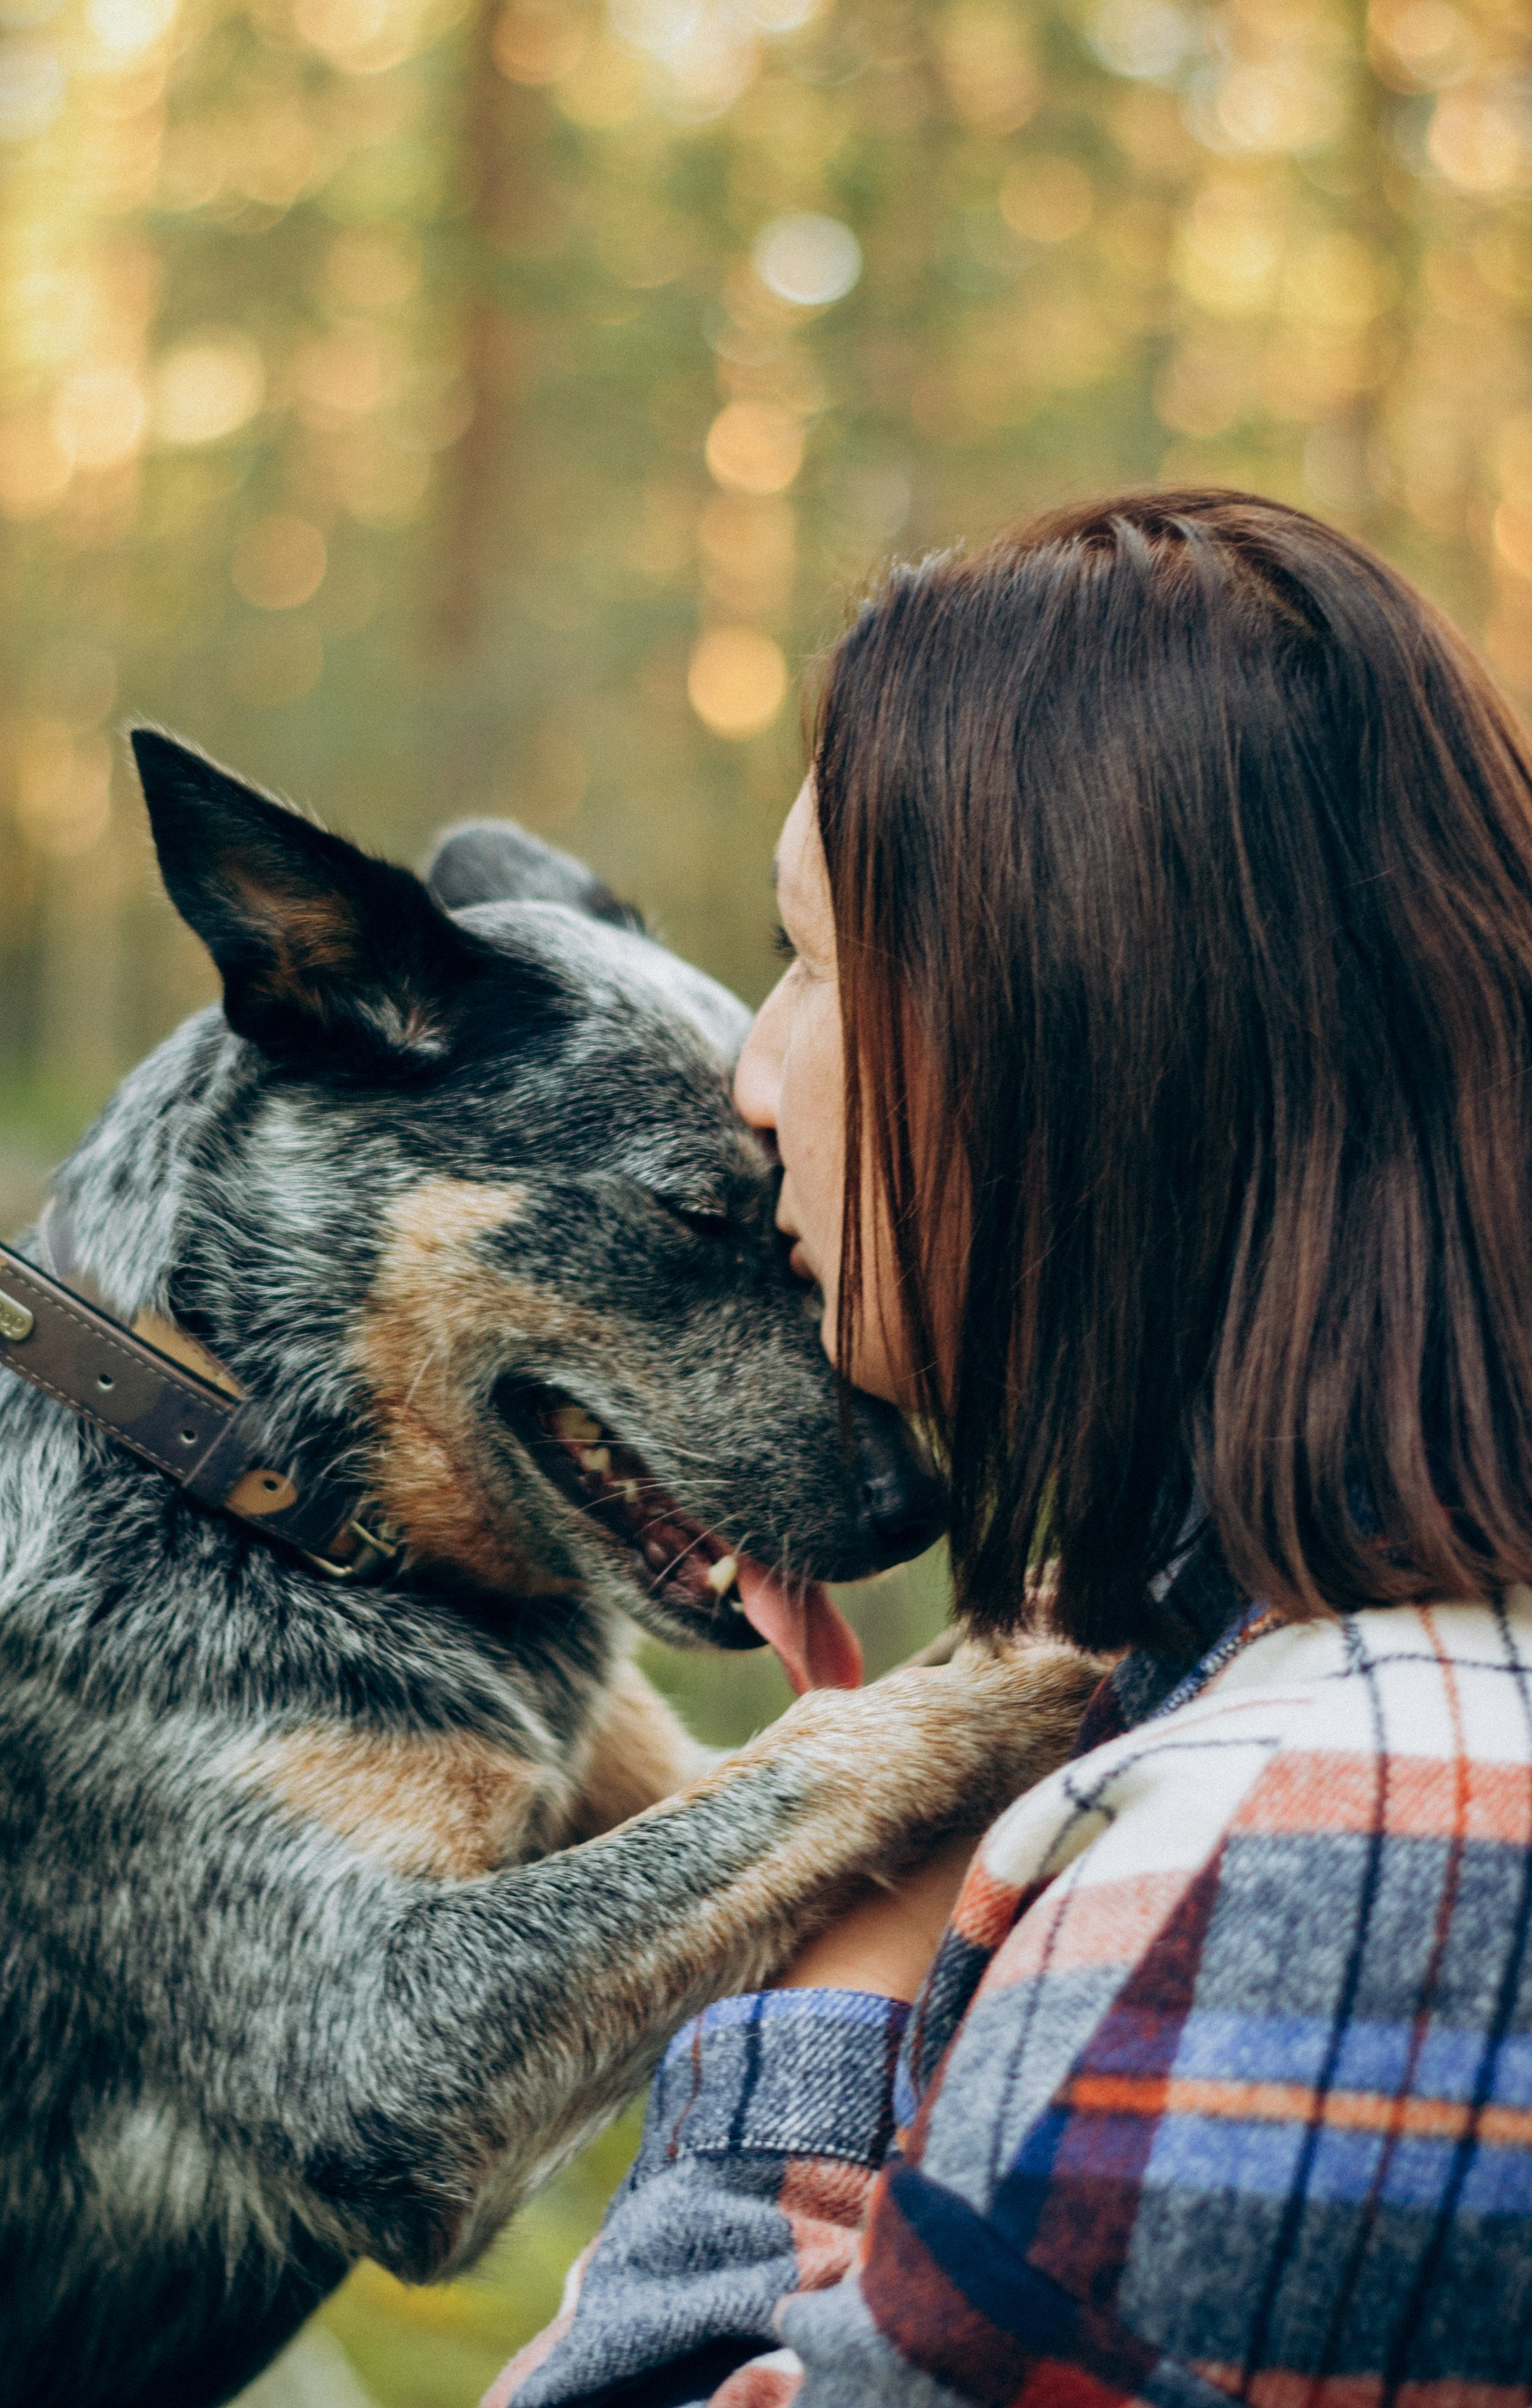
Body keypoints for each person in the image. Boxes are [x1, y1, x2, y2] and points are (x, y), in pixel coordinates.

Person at [486, 487, 1532, 2408]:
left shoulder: (1350, 1840)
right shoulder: (1223, 1688)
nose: (747, 1077)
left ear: (1078, 1028)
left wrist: (840, 1958)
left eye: (808, 959)